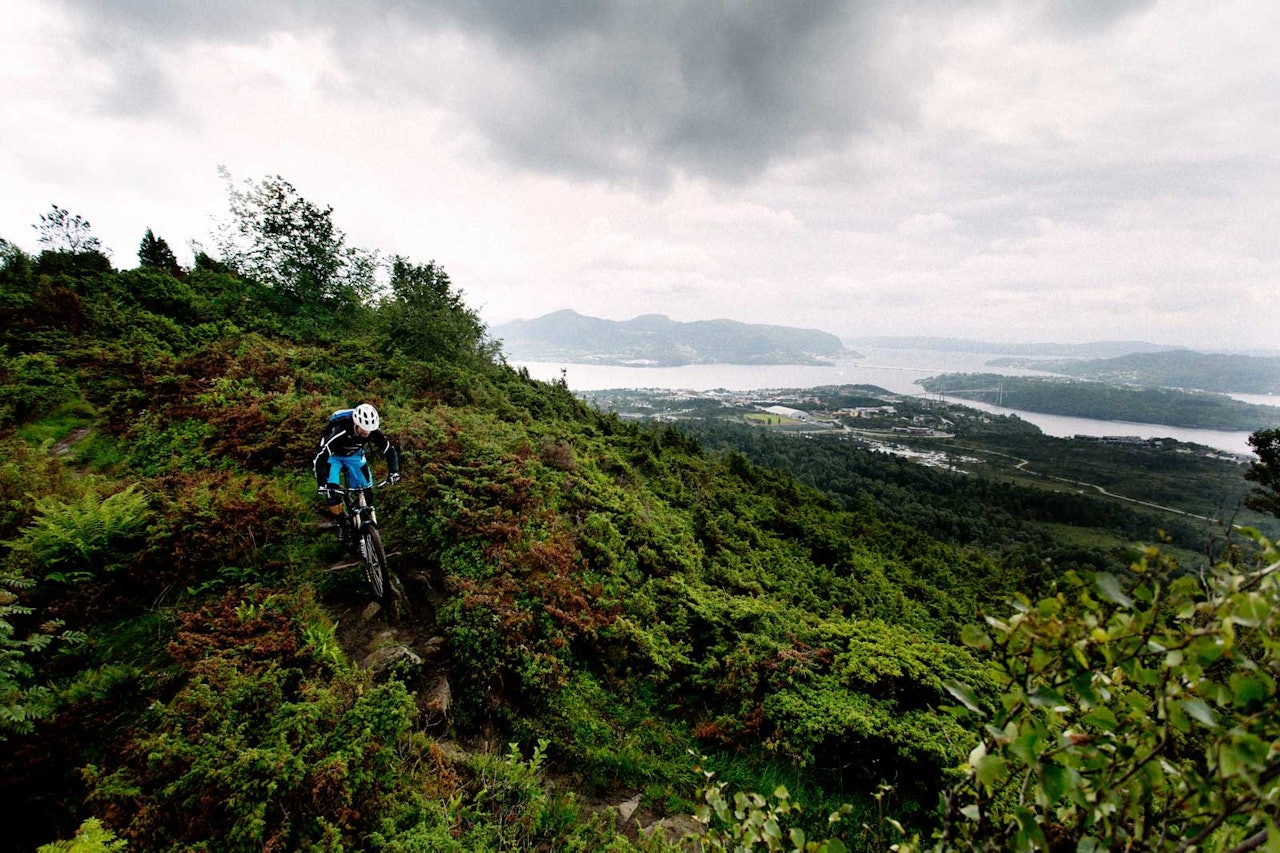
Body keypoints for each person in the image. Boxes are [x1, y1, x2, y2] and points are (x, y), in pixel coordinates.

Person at [312, 403, 401, 548]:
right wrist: (322, 483)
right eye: (364, 429)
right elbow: (321, 457)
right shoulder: (341, 431)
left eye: (370, 429)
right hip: (332, 456)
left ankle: (366, 527)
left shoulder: (372, 431)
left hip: (354, 455)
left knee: (367, 491)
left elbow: (389, 450)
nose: (367, 432)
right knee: (332, 492)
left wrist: (394, 471)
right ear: (356, 424)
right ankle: (341, 524)